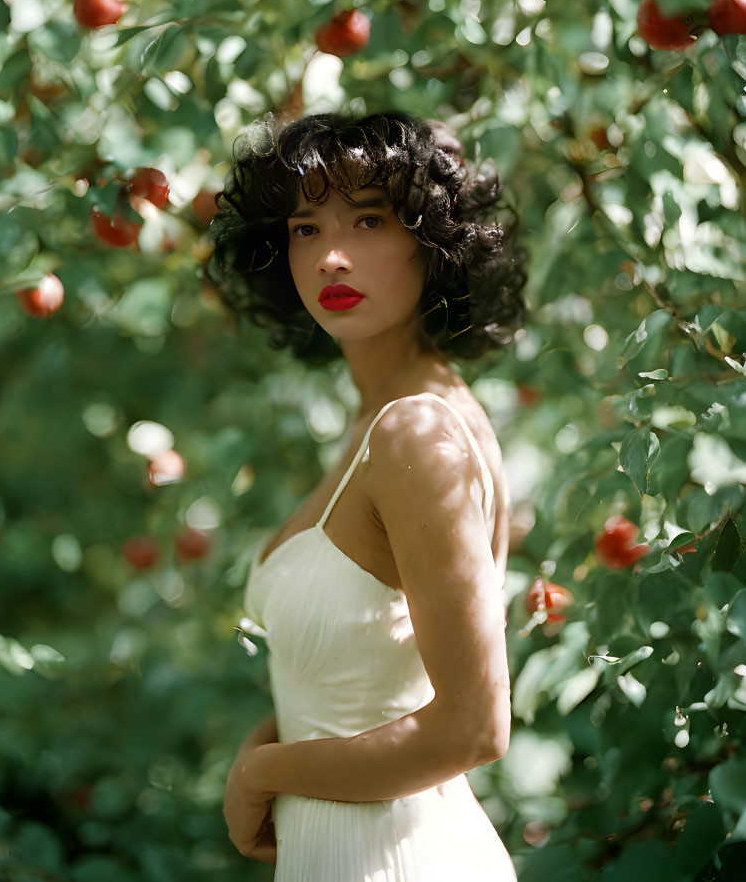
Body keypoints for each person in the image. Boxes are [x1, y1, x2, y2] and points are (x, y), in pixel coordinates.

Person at [205, 109, 528, 881]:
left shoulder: (418, 433)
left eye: (369, 219)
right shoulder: (374, 421)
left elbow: (473, 727)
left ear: (432, 239)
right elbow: (360, 688)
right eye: (305, 229)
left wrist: (263, 775)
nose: (331, 257)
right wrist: (266, 746)